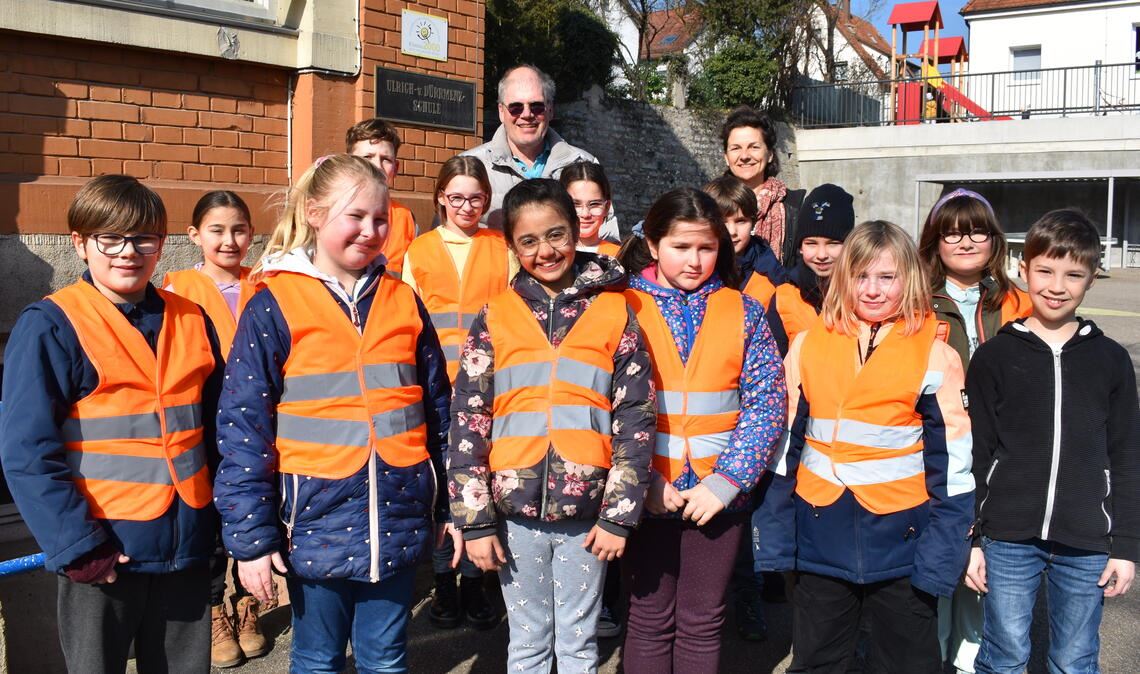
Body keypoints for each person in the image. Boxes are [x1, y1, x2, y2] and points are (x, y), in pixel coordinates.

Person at [212, 154, 454, 674]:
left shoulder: (404, 301)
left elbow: (439, 413)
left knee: (386, 659)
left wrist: (449, 508)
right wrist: (252, 541)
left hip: (399, 517)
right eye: (356, 216)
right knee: (317, 660)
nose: (371, 231)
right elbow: (243, 428)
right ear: (316, 213)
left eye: (381, 218)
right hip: (313, 525)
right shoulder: (274, 302)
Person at [0, 175, 224, 673]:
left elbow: (215, 432)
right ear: (80, 243)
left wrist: (222, 526)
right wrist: (79, 548)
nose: (128, 251)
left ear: (162, 244)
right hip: (102, 556)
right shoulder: (52, 325)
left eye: (143, 237)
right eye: (110, 238)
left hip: (186, 547)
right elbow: (26, 452)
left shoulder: (193, 319)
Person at [447, 178, 655, 673]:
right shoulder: (496, 315)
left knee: (580, 645)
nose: (546, 250)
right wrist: (474, 522)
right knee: (527, 644)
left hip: (589, 515)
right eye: (530, 241)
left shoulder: (614, 311)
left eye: (557, 234)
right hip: (514, 514)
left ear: (579, 230)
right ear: (512, 246)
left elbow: (636, 421)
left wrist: (619, 516)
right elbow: (468, 421)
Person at [759, 220, 974, 674]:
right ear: (842, 279)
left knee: (908, 664)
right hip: (820, 541)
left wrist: (941, 556)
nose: (872, 290)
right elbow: (783, 453)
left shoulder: (935, 355)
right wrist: (776, 536)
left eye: (887, 278)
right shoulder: (807, 345)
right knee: (817, 661)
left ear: (909, 279)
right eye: (860, 277)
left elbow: (953, 467)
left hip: (904, 546)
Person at [619, 188, 787, 673]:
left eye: (707, 248)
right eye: (680, 247)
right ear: (652, 244)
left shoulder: (745, 310)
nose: (695, 260)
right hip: (647, 491)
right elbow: (600, 403)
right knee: (647, 616)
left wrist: (727, 481)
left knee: (702, 619)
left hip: (719, 496)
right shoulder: (622, 307)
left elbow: (766, 404)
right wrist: (642, 479)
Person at [965, 209, 1139, 674]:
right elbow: (978, 452)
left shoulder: (1110, 360)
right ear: (1024, 270)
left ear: (1091, 282)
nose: (1057, 285)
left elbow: (1126, 454)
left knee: (1074, 659)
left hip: (1087, 539)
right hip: (1006, 535)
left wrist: (1125, 545)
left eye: (1073, 275)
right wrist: (974, 538)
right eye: (1045, 270)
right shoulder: (995, 356)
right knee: (1003, 656)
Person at [402, 155, 513, 631]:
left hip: (489, 386)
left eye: (476, 197)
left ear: (487, 200)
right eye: (456, 197)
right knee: (444, 495)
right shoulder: (419, 251)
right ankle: (445, 588)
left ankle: (476, 585)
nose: (466, 206)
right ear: (440, 199)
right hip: (434, 387)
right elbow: (407, 320)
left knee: (478, 485)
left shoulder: (501, 246)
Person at [162, 190, 266, 668]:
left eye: (239, 229)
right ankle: (213, 611)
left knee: (250, 514)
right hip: (204, 424)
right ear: (195, 235)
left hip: (259, 423)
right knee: (206, 522)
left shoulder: (265, 284)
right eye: (217, 230)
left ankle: (250, 606)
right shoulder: (176, 287)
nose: (229, 240)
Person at [463, 65, 619, 240]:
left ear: (550, 109)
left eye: (537, 106)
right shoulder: (471, 167)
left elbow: (607, 239)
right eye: (516, 107)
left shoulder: (583, 164)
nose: (527, 114)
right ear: (501, 112)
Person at [919, 189, 1031, 370]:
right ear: (935, 244)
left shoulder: (1024, 306)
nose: (966, 244)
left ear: (993, 240)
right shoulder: (913, 306)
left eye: (978, 232)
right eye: (952, 234)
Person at [767, 183, 855, 355]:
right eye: (811, 244)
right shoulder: (784, 297)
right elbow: (772, 363)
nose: (821, 255)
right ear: (800, 247)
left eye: (833, 244)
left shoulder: (865, 294)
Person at [721, 106, 804, 265]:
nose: (744, 156)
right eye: (736, 148)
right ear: (726, 157)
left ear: (770, 154)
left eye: (754, 147)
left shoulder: (794, 208)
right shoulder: (709, 205)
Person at [347, 118, 417, 275]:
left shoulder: (406, 218)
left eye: (385, 159)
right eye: (367, 157)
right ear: (349, 163)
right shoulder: (330, 210)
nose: (377, 166)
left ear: (396, 168)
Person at [561, 160, 621, 256]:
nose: (585, 214)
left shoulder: (619, 256)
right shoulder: (551, 254)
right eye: (575, 204)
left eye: (594, 204)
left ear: (607, 207)